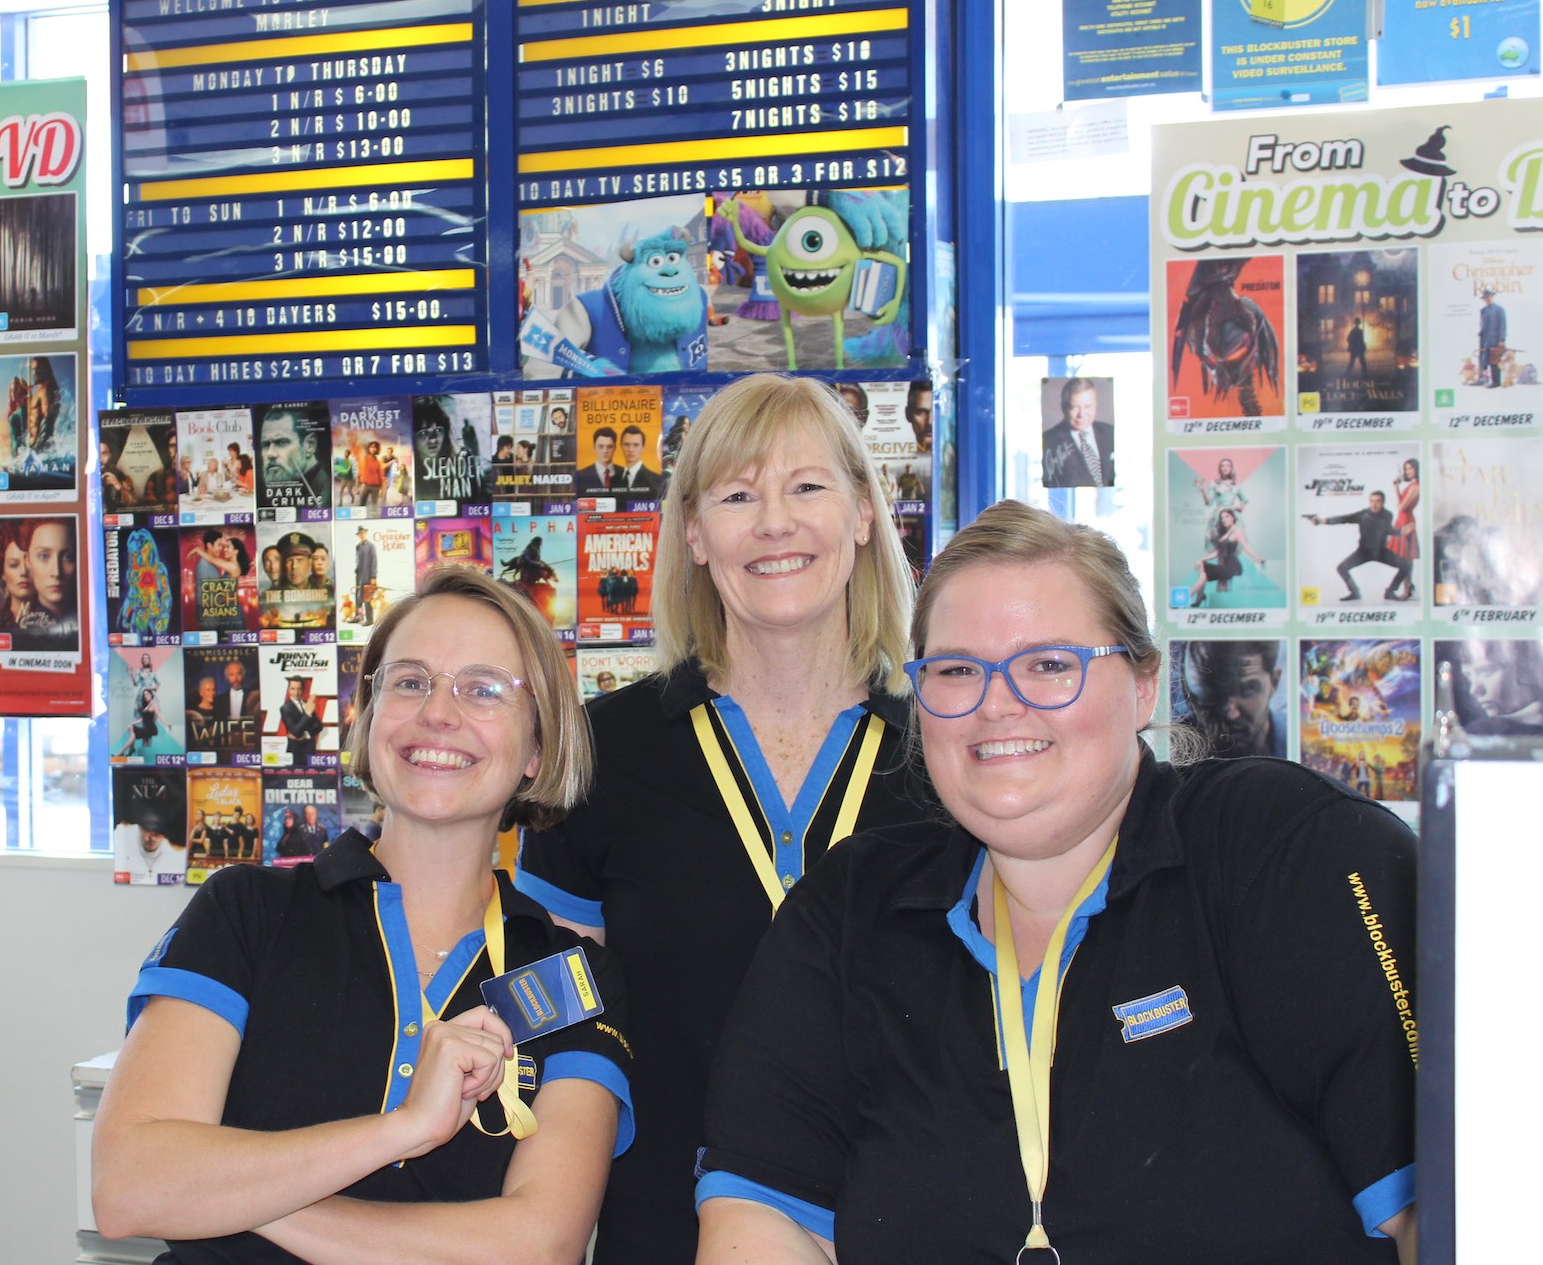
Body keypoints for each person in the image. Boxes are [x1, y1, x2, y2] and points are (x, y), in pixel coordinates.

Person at [698, 499, 1417, 1262]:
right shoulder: (849, 908)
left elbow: (1439, 1213)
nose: (996, 703)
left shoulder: (1282, 850)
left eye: (1049, 664)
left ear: (1144, 684)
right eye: (957, 670)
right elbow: (761, 1217)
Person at [92, 566, 633, 1262]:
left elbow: (536, 1247)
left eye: (483, 688)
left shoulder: (571, 977)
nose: (439, 712)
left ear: (536, 747)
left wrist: (233, 1194)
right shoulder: (247, 913)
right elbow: (129, 1184)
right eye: (409, 681)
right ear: (365, 718)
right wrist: (404, 1127)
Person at [515, 373, 931, 1263]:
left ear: (863, 513)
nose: (775, 522)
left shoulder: (950, 756)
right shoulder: (601, 753)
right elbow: (555, 1028)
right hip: (659, 1228)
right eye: (739, 495)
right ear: (696, 534)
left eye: (807, 487)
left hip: (910, 1223)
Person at [1306, 491, 1410, 603]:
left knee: (1406, 565)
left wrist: (1401, 532)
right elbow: (1344, 519)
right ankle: (1354, 592)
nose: (1374, 505)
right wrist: (1322, 521)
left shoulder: (1388, 515)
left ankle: (1390, 591)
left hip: (1381, 552)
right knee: (1341, 568)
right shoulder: (1363, 514)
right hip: (1363, 552)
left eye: (1378, 501)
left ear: (1383, 502)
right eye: (1372, 501)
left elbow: (1385, 529)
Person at [10, 517, 78, 651]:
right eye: (44, 556)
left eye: (68, 557)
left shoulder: (94, 626)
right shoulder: (17, 636)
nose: (57, 572)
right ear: (28, 561)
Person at [1040, 376, 1114, 488]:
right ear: (1064, 407)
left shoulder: (1109, 432)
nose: (1082, 414)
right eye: (1074, 407)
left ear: (1095, 405)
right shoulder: (1049, 440)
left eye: (1088, 406)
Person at [1186, 508, 1266, 607]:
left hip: (1232, 568)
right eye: (1222, 517)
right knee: (1203, 568)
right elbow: (1218, 552)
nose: (1224, 519)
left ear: (1233, 518)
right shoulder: (1225, 533)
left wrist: (1256, 558)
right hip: (1225, 566)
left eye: (1227, 516)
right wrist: (1202, 559)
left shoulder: (1237, 532)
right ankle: (1197, 597)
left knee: (1204, 574)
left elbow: (1245, 547)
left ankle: (1189, 598)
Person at [259, 407, 327, 503]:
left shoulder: (327, 494)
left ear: (310, 445)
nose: (270, 454)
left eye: (281, 442)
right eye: (265, 445)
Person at [1385, 458, 1419, 602]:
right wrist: (1396, 488)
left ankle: (1407, 588)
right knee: (1405, 557)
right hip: (1402, 520)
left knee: (1405, 557)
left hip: (1406, 521)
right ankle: (1408, 586)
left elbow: (1400, 507)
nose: (1407, 471)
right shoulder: (1411, 485)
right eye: (1406, 469)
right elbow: (1400, 505)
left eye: (1410, 468)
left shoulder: (1415, 486)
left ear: (1416, 469)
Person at [613, 424, 661, 495]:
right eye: (627, 444)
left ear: (643, 447)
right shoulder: (613, 479)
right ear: (621, 446)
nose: (631, 449)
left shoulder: (655, 479)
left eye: (636, 445)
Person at [572, 426, 619, 493]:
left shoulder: (626, 474)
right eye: (600, 446)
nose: (605, 451)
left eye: (609, 446)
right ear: (594, 447)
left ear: (615, 448)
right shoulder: (580, 476)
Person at [1478, 285, 1508, 388]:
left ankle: (1496, 382)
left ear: (1492, 297)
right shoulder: (1483, 311)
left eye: (1489, 296)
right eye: (1486, 297)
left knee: (1494, 360)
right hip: (1485, 339)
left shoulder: (1499, 309)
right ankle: (1482, 379)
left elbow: (1502, 325)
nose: (1488, 298)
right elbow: (1482, 326)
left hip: (1495, 339)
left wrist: (1501, 339)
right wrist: (1481, 339)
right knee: (1483, 359)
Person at [353, 525, 378, 625]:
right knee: (358, 597)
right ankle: (358, 617)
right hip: (359, 575)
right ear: (359, 535)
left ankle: (369, 620)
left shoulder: (371, 546)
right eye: (360, 533)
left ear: (365, 533)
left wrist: (373, 576)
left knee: (367, 597)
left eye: (363, 532)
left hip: (368, 576)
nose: (362, 534)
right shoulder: (358, 547)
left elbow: (374, 561)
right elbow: (358, 561)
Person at [1345, 315, 1369, 383]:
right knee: (1360, 362)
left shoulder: (1354, 331)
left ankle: (1347, 374)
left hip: (1356, 349)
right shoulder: (1357, 331)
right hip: (1357, 349)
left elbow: (1349, 339)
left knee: (1355, 362)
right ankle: (1364, 375)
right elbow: (1349, 339)